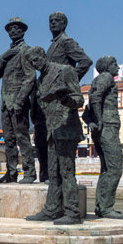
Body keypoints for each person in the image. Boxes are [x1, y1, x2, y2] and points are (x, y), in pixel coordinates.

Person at [23, 47, 85, 225]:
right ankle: (52, 209)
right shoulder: (41, 80)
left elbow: (78, 99)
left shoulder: (65, 71)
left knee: (66, 171)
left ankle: (73, 212)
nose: (35, 64)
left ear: (43, 56)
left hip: (66, 129)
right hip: (52, 131)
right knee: (53, 172)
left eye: (36, 60)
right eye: (32, 63)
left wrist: (64, 98)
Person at [42, 12, 92, 184]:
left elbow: (85, 61)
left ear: (64, 24)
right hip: (52, 105)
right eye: (51, 21)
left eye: (57, 21)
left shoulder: (66, 42)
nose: (53, 23)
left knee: (64, 162)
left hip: (63, 101)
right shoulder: (53, 45)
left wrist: (69, 80)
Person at [0, 17, 36, 183]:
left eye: (16, 28)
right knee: (8, 140)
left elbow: (30, 77)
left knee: (22, 138)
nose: (13, 31)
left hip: (18, 104)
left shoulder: (26, 51)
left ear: (23, 31)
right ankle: (11, 173)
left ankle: (30, 172)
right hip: (6, 104)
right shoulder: (8, 55)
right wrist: (3, 57)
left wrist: (20, 100)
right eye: (10, 29)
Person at [86, 56, 123, 219]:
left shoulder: (97, 80)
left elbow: (88, 107)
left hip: (103, 127)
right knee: (115, 168)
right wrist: (100, 120)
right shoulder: (106, 77)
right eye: (115, 64)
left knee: (106, 169)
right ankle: (106, 207)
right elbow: (95, 99)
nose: (118, 67)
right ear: (107, 66)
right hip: (107, 126)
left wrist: (93, 121)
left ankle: (101, 206)